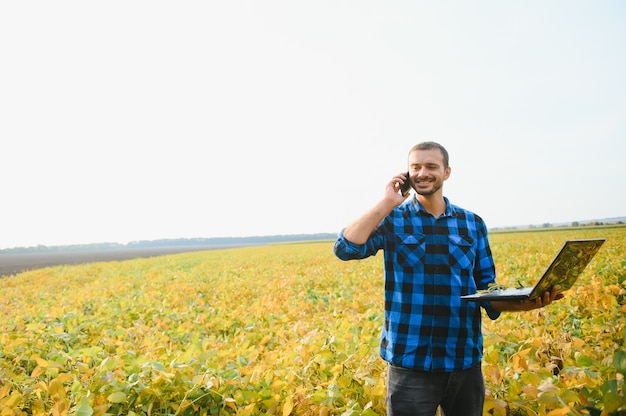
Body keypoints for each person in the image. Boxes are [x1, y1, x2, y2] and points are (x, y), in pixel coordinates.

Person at [333, 141, 561, 416]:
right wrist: (386, 203)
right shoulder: (393, 220)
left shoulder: (472, 223)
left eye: (431, 166)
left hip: (463, 360)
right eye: (415, 167)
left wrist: (527, 303)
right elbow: (346, 249)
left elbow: (487, 291)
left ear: (447, 172)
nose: (422, 173)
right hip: (410, 361)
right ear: (406, 174)